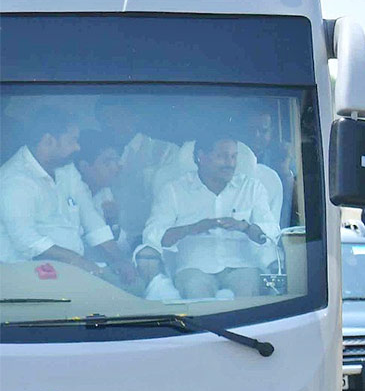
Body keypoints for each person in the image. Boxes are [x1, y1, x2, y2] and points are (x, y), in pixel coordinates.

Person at [142, 132, 279, 298]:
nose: (230, 164)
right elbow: (153, 235)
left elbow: (273, 231)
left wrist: (246, 227)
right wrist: (192, 228)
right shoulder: (174, 190)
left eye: (234, 157)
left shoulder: (252, 188)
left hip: (243, 265)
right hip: (194, 267)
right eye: (222, 157)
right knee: (195, 289)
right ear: (201, 157)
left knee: (249, 290)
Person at [0, 107, 109, 277]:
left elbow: (90, 216)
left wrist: (119, 259)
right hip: (29, 280)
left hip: (71, 274)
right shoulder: (14, 179)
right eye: (72, 141)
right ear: (48, 140)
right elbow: (25, 239)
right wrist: (77, 261)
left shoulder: (66, 168)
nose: (77, 147)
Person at [54, 130, 138, 285]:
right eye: (107, 162)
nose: (116, 167)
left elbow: (122, 247)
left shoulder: (106, 194)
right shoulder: (63, 191)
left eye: (116, 160)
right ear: (85, 166)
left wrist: (113, 222)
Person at [96, 98, 179, 248]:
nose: (110, 123)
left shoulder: (165, 150)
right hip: (109, 240)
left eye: (116, 116)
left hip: (151, 241)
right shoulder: (96, 156)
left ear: (134, 117)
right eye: (104, 119)